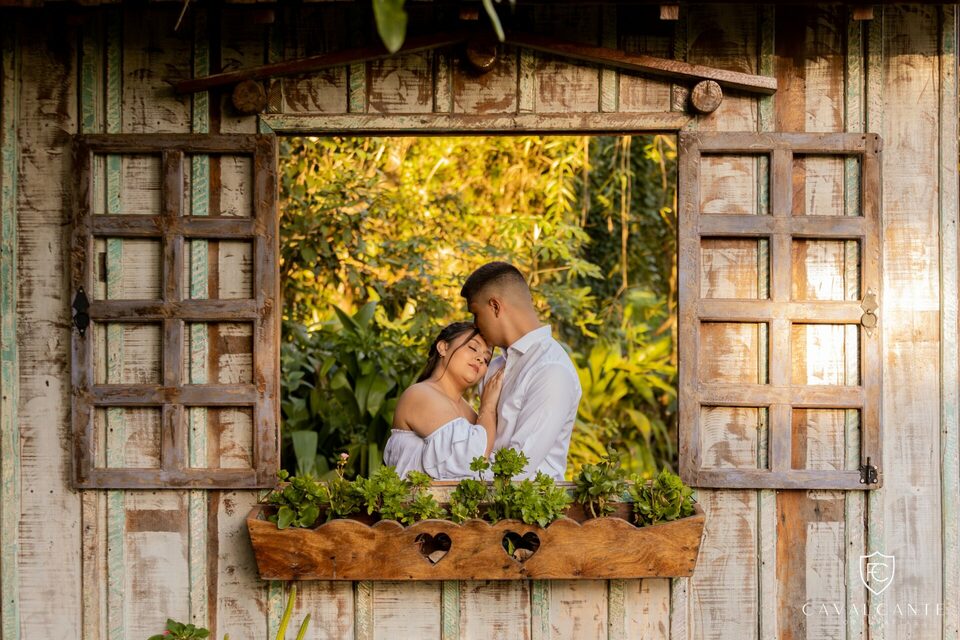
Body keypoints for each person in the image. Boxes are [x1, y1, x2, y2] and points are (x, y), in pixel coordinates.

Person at [462, 261, 582, 481]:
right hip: (486, 503)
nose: (475, 325)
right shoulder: (496, 366)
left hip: (528, 510)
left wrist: (455, 474)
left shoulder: (551, 370)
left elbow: (518, 468)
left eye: (476, 314)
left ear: (495, 307)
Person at [384, 322, 505, 479]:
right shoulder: (420, 395)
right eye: (473, 348)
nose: (480, 359)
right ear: (443, 347)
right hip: (412, 503)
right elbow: (473, 460)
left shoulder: (472, 414)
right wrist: (488, 406)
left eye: (487, 359)